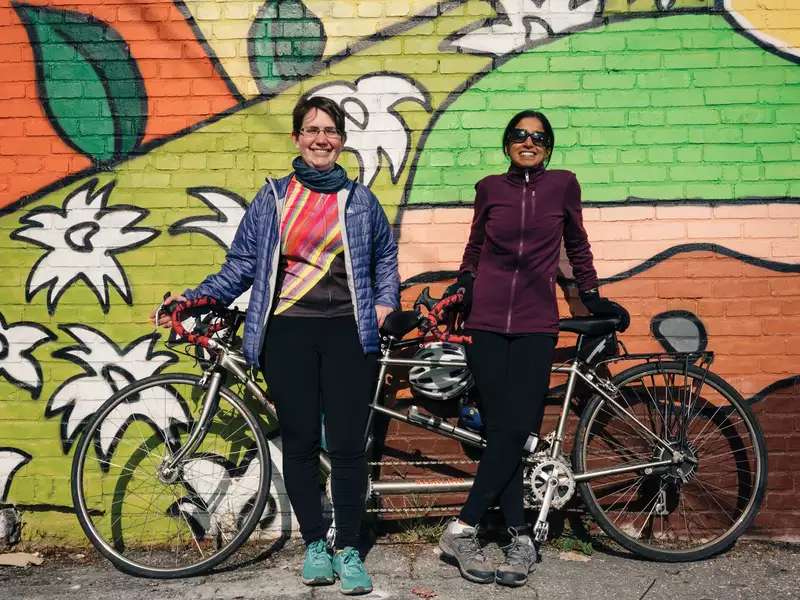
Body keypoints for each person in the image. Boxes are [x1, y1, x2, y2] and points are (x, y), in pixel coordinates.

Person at [153, 96, 399, 595]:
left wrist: (383, 305)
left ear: (343, 141)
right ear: (297, 137)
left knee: (349, 447)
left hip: (349, 333)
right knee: (302, 442)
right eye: (312, 130)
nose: (321, 139)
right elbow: (242, 264)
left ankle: (348, 547)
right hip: (287, 333)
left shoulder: (360, 201)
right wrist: (198, 297)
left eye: (330, 130)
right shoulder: (273, 199)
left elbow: (384, 259)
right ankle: (314, 544)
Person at [438, 110, 625, 587]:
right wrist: (463, 283)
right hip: (485, 323)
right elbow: (475, 247)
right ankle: (520, 536)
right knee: (502, 430)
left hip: (537, 324)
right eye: (520, 135)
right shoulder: (489, 189)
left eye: (539, 137)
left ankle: (464, 526)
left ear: (548, 147)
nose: (529, 142)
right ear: (507, 145)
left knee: (516, 428)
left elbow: (577, 246)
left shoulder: (563, 185)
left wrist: (591, 295)